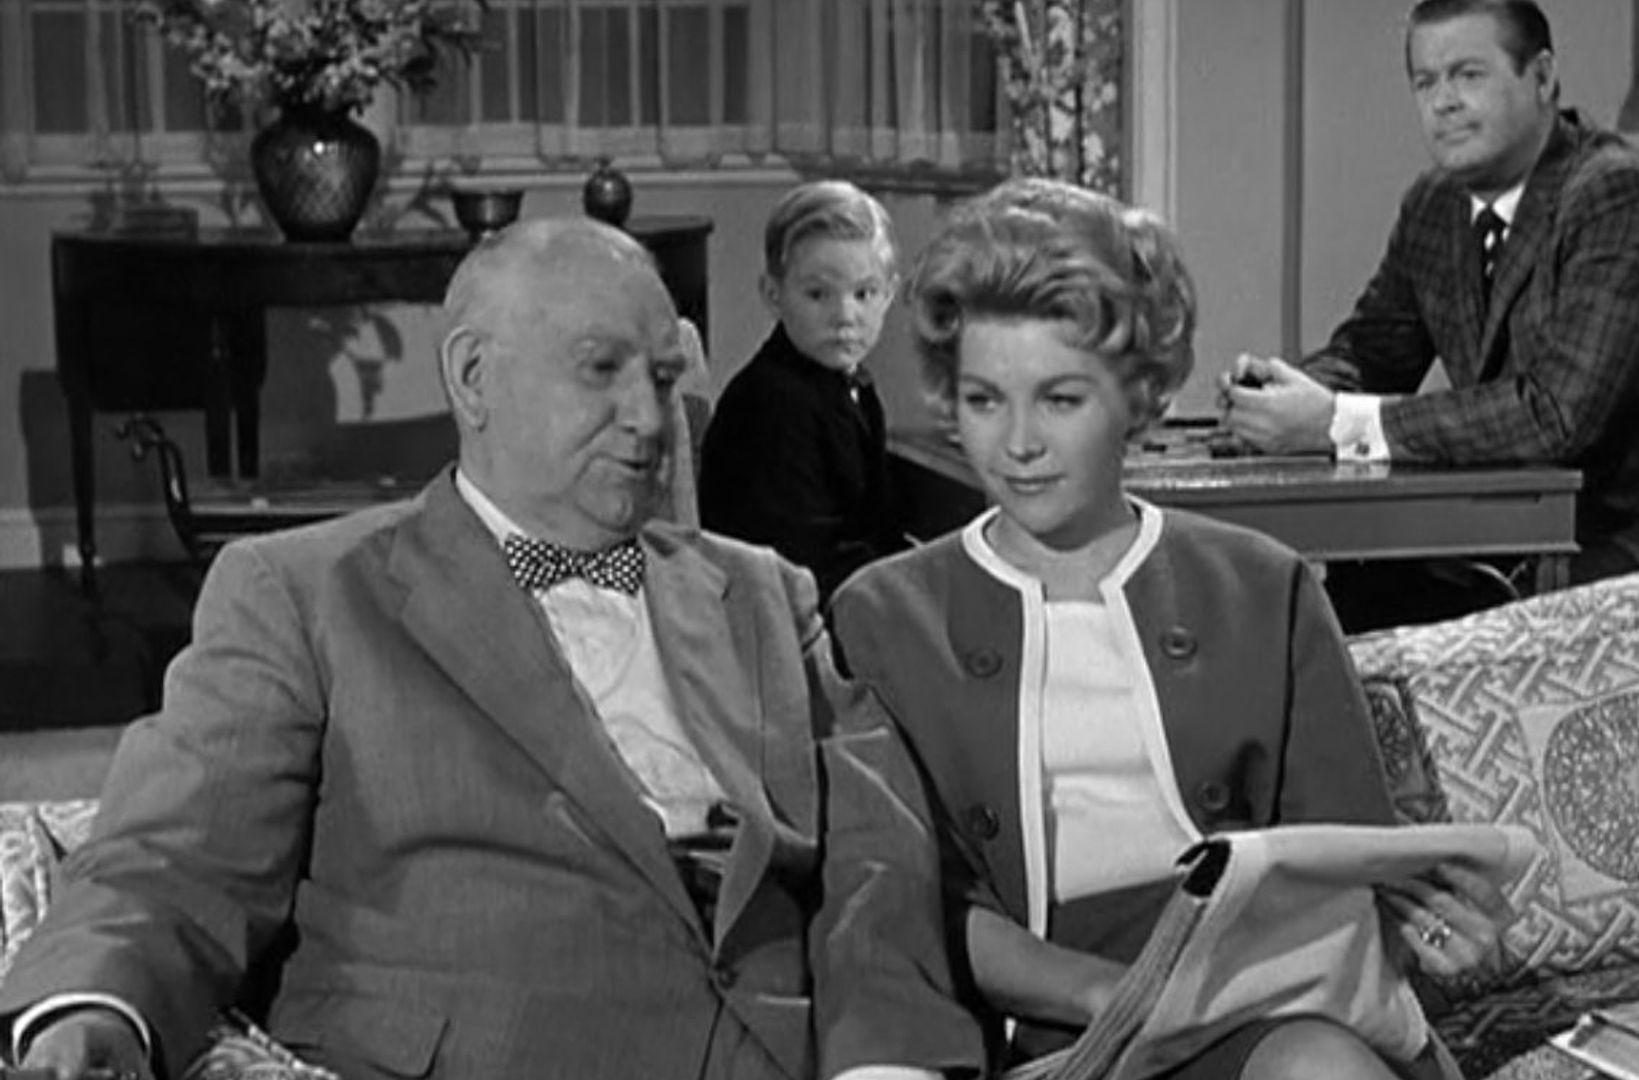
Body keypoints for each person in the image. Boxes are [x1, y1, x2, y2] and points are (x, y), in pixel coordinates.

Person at [0, 218, 980, 1080]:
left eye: (662, 377)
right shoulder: (303, 593)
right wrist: (93, 1010)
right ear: (474, 377)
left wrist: (883, 1061)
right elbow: (175, 854)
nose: (649, 419)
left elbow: (878, 851)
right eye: (601, 370)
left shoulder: (763, 592)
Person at [830, 179, 1511, 1080]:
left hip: (1262, 1006)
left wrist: (1430, 921)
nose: (1019, 442)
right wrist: (1118, 998)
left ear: (1140, 396)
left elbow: (1345, 857)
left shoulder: (1263, 585)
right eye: (985, 400)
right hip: (1060, 1029)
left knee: (1321, 1069)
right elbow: (913, 902)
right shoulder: (883, 616)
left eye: (1060, 399)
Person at [1221, 0, 1639, 592]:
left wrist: (1333, 423)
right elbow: (1373, 351)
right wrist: (1279, 399)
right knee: (1335, 593)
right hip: (1542, 529)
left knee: (1427, 604)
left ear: (1543, 78)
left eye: (1468, 75)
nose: (1443, 102)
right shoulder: (1435, 205)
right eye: (1425, 82)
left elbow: (1555, 415)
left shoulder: (1620, 198)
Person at [699, 179, 910, 600]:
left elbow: (873, 527)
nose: (845, 315)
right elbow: (806, 559)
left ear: (889, 294)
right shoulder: (771, 404)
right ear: (773, 295)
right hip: (783, 612)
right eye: (818, 294)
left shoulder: (852, 384)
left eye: (864, 293)